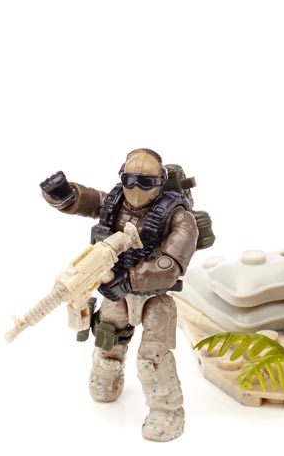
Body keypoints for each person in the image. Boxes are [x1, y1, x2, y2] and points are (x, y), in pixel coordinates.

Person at [40, 148, 197, 442]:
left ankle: (167, 411)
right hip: (116, 292)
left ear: (160, 183)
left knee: (153, 356)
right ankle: (107, 378)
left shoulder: (179, 217)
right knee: (107, 338)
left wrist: (131, 279)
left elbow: (171, 264)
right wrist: (63, 194)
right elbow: (85, 200)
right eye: (129, 179)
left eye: (145, 182)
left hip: (154, 296)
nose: (136, 188)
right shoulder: (114, 203)